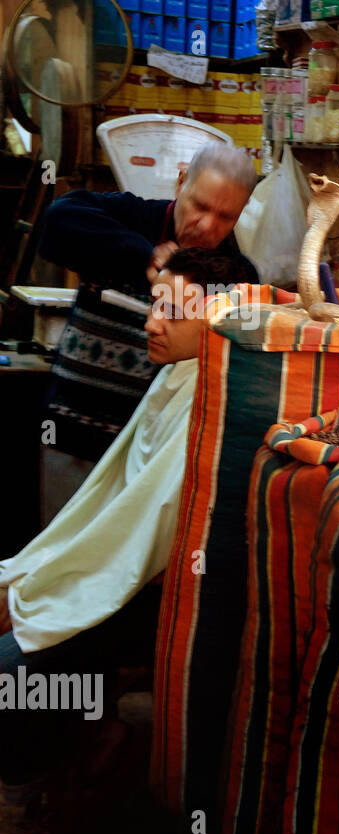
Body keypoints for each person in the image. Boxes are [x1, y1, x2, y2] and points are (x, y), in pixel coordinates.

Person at [0, 248, 259, 674]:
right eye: (155, 305)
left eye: (172, 312)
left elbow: (143, 546)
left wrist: (50, 592)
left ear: (219, 320)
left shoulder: (215, 401)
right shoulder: (178, 373)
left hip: (152, 595)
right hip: (123, 579)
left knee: (12, 665)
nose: (151, 323)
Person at [36, 143, 256, 462]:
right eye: (200, 206)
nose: (208, 225)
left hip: (156, 454)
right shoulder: (130, 218)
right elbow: (56, 220)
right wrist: (144, 254)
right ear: (182, 182)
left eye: (226, 216)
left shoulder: (237, 276)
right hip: (71, 432)